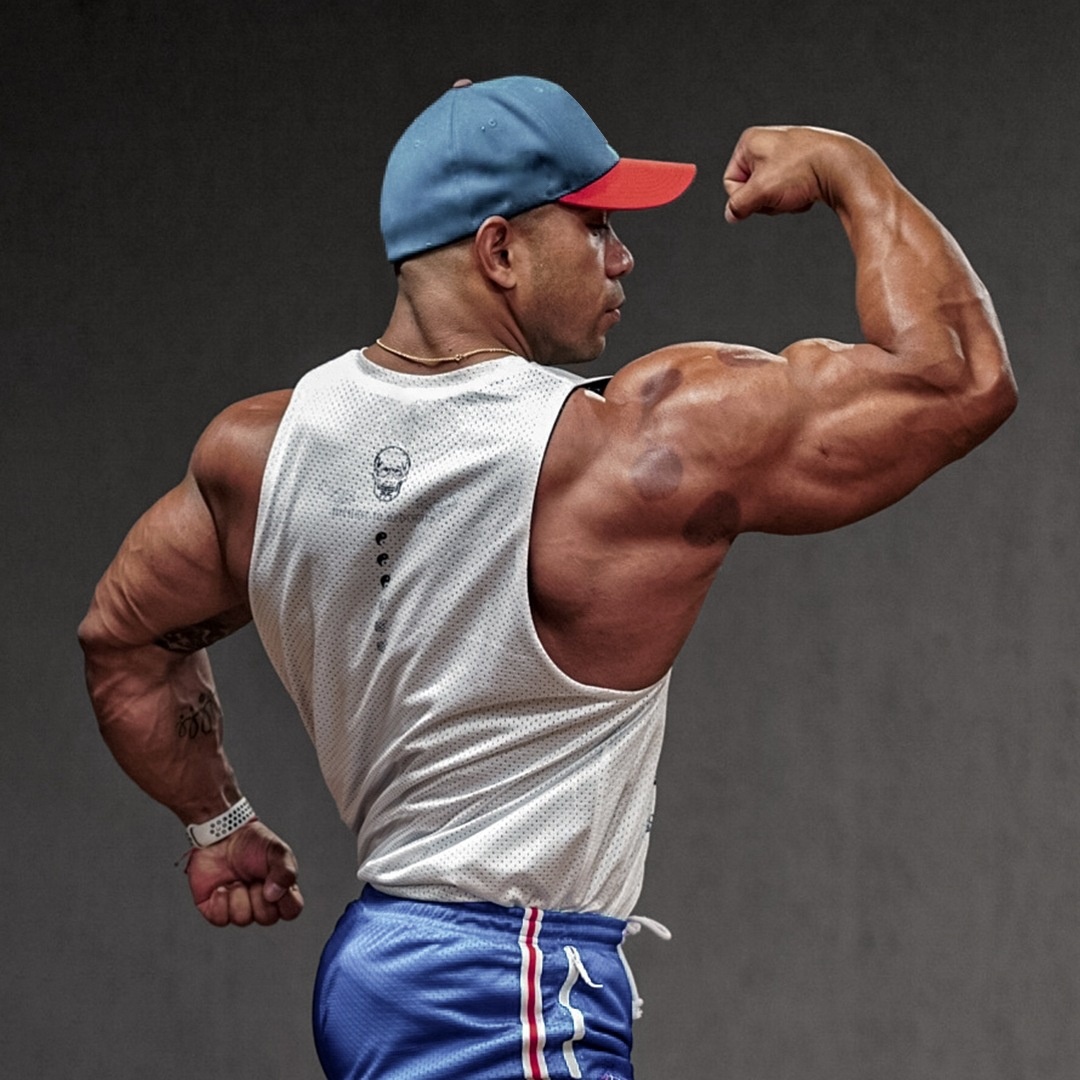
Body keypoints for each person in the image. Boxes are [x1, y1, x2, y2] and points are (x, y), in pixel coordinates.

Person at [79, 75, 1016, 1080]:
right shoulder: (632, 450)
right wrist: (847, 167)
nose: (622, 257)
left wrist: (217, 823)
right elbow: (960, 377)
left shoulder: (260, 459)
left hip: (378, 969)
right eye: (595, 226)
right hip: (506, 991)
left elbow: (122, 646)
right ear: (500, 252)